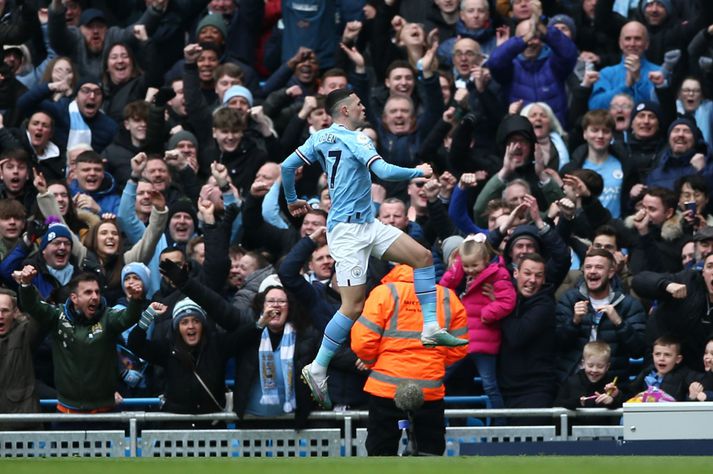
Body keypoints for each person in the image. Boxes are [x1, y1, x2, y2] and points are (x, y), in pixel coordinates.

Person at [281, 88, 467, 409]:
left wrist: (291, 199)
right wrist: (417, 172)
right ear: (343, 111)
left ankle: (431, 328)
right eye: (357, 104)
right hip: (349, 233)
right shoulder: (359, 139)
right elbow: (382, 172)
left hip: (368, 224)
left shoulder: (320, 139)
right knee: (352, 306)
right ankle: (318, 366)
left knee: (422, 258)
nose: (363, 107)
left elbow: (286, 167)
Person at [351, 263, 468, 456]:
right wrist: (435, 362)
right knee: (429, 454)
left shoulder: (384, 293)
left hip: (386, 387)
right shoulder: (447, 297)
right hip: (429, 388)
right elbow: (459, 346)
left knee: (381, 454)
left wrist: (374, 362)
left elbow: (362, 342)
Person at [14, 267, 144, 413]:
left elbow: (129, 317)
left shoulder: (109, 317)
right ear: (74, 298)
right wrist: (25, 285)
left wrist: (136, 300)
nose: (95, 297)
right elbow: (33, 306)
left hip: (104, 411)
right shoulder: (57, 317)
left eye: (97, 292)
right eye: (88, 292)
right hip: (67, 411)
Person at [438, 233, 516, 418]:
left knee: (489, 384)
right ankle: (426, 415)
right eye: (466, 266)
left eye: (475, 265)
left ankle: (500, 425)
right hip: (462, 339)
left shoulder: (499, 274)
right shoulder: (464, 276)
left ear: (486, 259)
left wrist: (487, 313)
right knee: (439, 376)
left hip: (484, 341)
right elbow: (444, 286)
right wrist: (457, 267)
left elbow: (507, 301)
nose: (470, 270)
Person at [555, 248, 647, 382]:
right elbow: (557, 344)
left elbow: (638, 350)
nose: (592, 271)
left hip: (612, 386)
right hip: (573, 383)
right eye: (588, 267)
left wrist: (619, 323)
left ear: (610, 273)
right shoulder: (569, 300)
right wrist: (574, 321)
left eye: (599, 267)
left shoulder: (629, 304)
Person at [0, 288, 42, 428]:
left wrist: (26, 286)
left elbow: (40, 314)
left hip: (21, 425)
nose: (0, 315)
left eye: (5, 310)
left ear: (14, 312)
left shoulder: (24, 333)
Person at [554, 341, 623, 424]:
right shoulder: (572, 382)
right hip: (575, 433)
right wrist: (576, 402)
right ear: (583, 363)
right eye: (590, 366)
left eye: (600, 366)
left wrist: (612, 400)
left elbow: (625, 404)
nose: (594, 370)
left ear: (607, 366)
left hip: (605, 433)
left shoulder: (611, 385)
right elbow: (558, 406)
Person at [616, 336, 702, 402]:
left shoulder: (685, 376)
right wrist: (617, 394)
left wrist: (692, 398)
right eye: (657, 354)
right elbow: (629, 398)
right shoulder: (646, 374)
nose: (661, 358)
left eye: (667, 355)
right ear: (652, 355)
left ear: (678, 359)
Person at [688, 337, 713, 401]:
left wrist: (708, 395)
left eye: (712, 354)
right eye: (706, 353)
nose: (707, 357)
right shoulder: (702, 381)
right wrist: (692, 397)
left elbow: (706, 395)